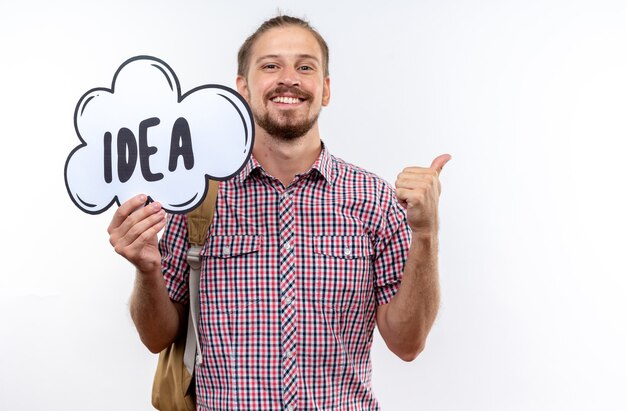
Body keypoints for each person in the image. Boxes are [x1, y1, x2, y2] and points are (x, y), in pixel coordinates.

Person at [108, 15, 450, 410]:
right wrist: (146, 268)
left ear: (325, 89)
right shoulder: (198, 198)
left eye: (305, 67)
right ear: (242, 88)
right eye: (270, 65)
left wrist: (426, 234)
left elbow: (407, 344)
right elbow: (156, 337)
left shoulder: (374, 199)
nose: (289, 78)